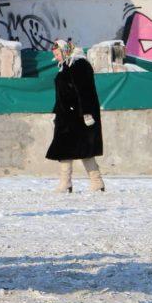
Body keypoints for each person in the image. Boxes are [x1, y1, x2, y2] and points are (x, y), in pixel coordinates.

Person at [46, 38, 104, 192]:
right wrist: (55, 112)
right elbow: (61, 94)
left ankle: (96, 182)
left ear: (65, 51)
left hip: (79, 115)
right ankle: (66, 183)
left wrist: (86, 113)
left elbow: (85, 90)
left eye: (57, 54)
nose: (56, 57)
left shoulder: (79, 64)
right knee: (64, 149)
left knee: (85, 149)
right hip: (65, 116)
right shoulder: (65, 66)